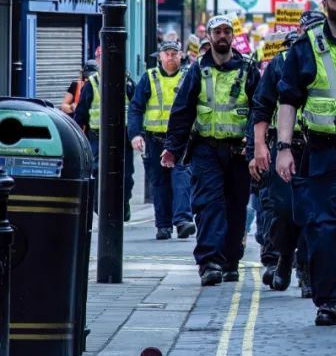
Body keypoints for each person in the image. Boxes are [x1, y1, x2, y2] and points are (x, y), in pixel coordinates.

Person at [276, 0, 336, 326]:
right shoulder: (306, 46)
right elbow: (288, 100)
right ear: (325, 3)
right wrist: (283, 148)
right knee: (324, 228)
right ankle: (330, 299)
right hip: (324, 151)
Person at [162, 16, 260, 286]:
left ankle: (231, 260)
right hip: (206, 148)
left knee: (236, 207)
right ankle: (209, 262)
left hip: (239, 151)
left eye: (227, 31)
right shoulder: (197, 71)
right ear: (210, 36)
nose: (222, 36)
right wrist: (172, 148)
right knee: (209, 205)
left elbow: (259, 112)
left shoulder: (248, 70)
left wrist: (255, 148)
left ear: (232, 36)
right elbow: (182, 112)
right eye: (218, 32)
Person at [248, 28, 312, 294]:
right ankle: (284, 255)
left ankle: (308, 271)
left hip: (319, 147)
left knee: (315, 214)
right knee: (283, 211)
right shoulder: (281, 62)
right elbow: (261, 106)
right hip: (285, 147)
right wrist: (258, 148)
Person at [128, 40, 195, 240]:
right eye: (167, 53)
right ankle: (163, 225)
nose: (171, 57)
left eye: (174, 53)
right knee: (159, 183)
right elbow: (136, 108)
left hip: (181, 139)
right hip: (154, 139)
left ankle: (183, 220)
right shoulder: (149, 77)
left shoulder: (189, 76)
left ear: (181, 55)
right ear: (160, 56)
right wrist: (136, 134)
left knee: (181, 178)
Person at [74, 46, 135, 220]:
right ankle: (100, 208)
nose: (105, 61)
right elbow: (81, 113)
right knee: (98, 172)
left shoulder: (128, 82)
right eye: (101, 58)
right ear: (98, 61)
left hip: (122, 135)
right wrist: (79, 136)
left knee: (126, 175)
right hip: (98, 136)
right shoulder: (91, 84)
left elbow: (136, 109)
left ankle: (123, 204)